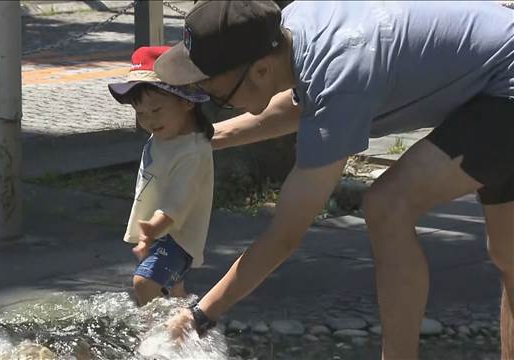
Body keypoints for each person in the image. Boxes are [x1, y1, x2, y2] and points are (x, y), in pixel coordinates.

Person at [153, 1, 514, 358]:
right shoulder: (288, 30)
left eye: (216, 93)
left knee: (389, 205)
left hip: (504, 81)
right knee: (508, 254)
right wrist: (202, 139)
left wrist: (200, 316)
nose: (212, 100)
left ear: (261, 71)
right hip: (494, 75)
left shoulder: (340, 75)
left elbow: (284, 236)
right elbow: (301, 105)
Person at [108, 46, 214, 306]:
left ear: (186, 100)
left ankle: (153, 338)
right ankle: (190, 330)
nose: (149, 121)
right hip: (160, 233)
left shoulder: (192, 151)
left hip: (176, 236)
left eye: (156, 110)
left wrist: (153, 227)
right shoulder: (165, 137)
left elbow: (179, 200)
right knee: (174, 295)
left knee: (145, 283)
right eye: (141, 113)